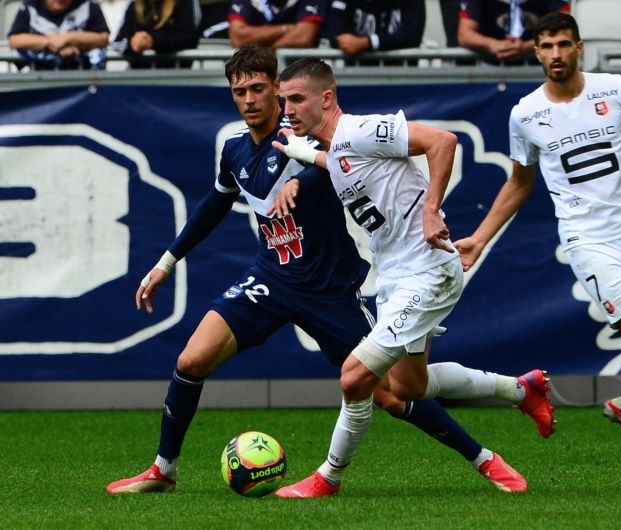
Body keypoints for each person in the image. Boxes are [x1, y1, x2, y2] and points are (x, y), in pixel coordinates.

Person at [105, 44, 534, 496]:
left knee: (393, 393)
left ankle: (483, 458)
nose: (249, 100)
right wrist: (166, 262)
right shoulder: (234, 150)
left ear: (277, 89)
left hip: (330, 288)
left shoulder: (312, 137)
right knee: (191, 359)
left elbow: (334, 163)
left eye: (258, 89)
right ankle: (163, 470)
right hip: (271, 277)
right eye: (239, 92)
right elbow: (215, 204)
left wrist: (298, 178)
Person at [269, 57, 555, 498]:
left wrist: (430, 208)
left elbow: (442, 140)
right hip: (397, 276)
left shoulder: (360, 130)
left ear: (326, 98)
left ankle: (328, 477)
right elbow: (335, 161)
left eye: (296, 99)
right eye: (283, 100)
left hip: (428, 273)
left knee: (354, 378)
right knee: (410, 386)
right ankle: (521, 389)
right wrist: (296, 152)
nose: (287, 108)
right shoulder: (341, 149)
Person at [455, 12, 621, 464]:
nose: (556, 54)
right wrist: (479, 238)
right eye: (547, 46)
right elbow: (519, 182)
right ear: (535, 52)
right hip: (588, 241)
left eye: (563, 45)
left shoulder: (616, 89)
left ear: (578, 47)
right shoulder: (526, 113)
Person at [457, 0, 570, 64]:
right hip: (491, 72)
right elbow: (464, 35)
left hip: (539, 72)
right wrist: (492, 44)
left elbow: (564, 28)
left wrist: (527, 46)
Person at [7, 0, 109, 70]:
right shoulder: (30, 4)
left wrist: (70, 38)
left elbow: (103, 38)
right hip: (40, 82)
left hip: (84, 83)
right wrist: (50, 43)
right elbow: (14, 40)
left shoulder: (89, 4)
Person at [111, 0, 201, 69]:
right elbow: (117, 43)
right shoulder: (135, 5)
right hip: (140, 79)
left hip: (177, 78)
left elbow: (190, 39)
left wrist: (153, 41)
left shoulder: (184, 3)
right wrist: (132, 43)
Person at [325, 0, 425, 57]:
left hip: (402, 76)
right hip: (358, 76)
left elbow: (412, 36)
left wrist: (368, 42)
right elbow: (338, 36)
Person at [227, 0, 324, 49]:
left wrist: (259, 50)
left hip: (301, 70)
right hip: (256, 70)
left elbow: (302, 38)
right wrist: (285, 29)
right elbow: (238, 38)